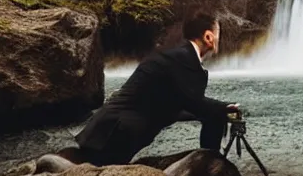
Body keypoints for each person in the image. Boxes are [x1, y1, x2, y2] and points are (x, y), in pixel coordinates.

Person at [71, 10, 239, 166]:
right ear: (209, 37)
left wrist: (220, 112)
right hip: (111, 134)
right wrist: (224, 108)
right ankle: (209, 164)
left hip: (117, 131)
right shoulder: (183, 59)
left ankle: (209, 163)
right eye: (218, 34)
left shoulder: (181, 57)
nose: (219, 39)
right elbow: (193, 101)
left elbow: (179, 104)